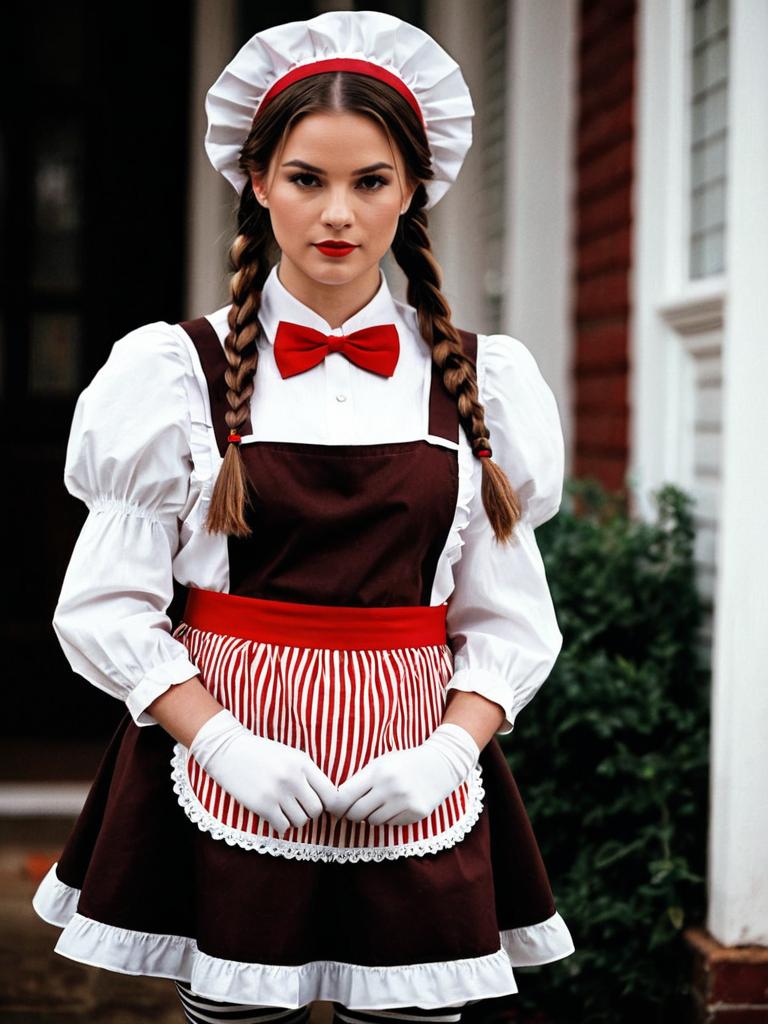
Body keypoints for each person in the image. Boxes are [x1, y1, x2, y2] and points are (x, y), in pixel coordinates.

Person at [31, 10, 575, 1023]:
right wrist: (219, 741)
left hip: (412, 772)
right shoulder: (171, 376)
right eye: (305, 178)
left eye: (370, 181)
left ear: (413, 189)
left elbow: (510, 621)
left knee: (412, 1013)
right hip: (226, 765)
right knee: (238, 1011)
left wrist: (450, 752)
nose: (338, 213)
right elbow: (104, 609)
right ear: (257, 183)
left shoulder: (480, 383)